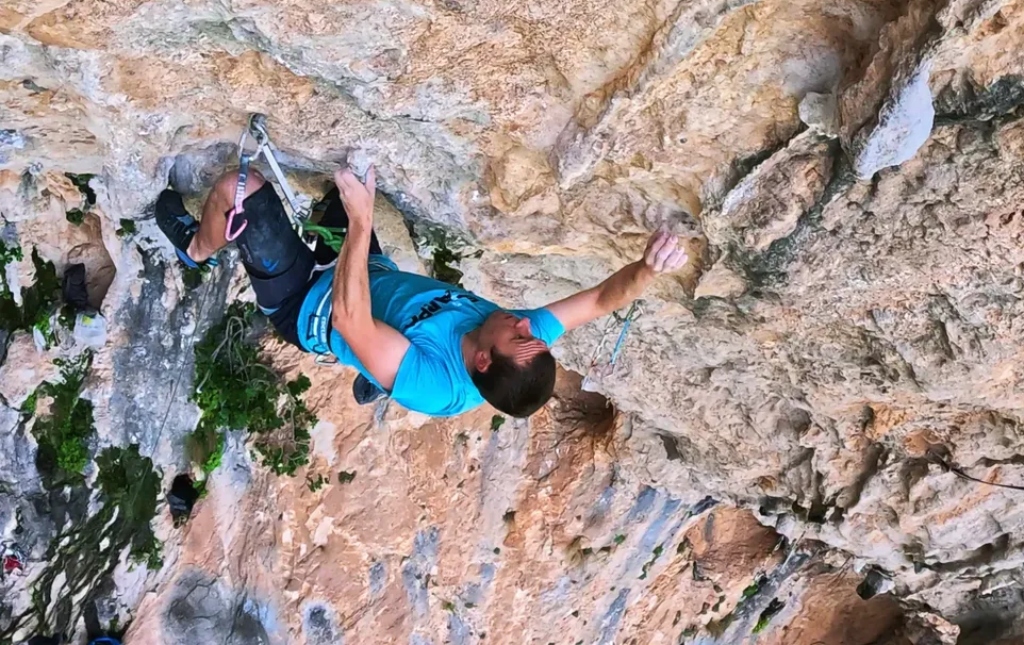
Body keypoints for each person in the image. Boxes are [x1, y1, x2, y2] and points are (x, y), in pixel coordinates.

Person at [156, 165, 687, 417]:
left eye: (518, 333)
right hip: (372, 274)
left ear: (482, 360)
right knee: (357, 165)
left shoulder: (437, 385)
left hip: (312, 308)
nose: (526, 320)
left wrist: (362, 222)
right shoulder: (520, 341)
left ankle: (194, 249)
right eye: (532, 331)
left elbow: (350, 319)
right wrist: (647, 268)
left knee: (238, 191)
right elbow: (598, 301)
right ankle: (377, 372)